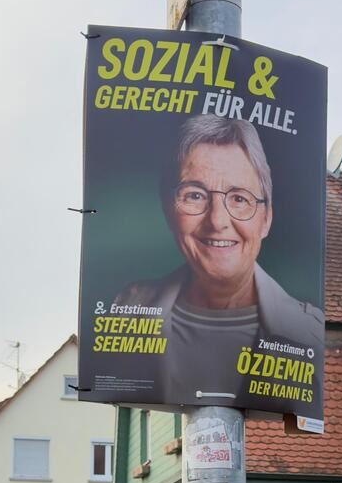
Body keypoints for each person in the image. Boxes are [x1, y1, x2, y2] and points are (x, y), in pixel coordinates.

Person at [115, 114, 323, 406]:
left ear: (266, 219)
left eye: (239, 198)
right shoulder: (127, 310)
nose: (217, 221)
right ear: (168, 209)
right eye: (195, 195)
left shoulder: (309, 333)